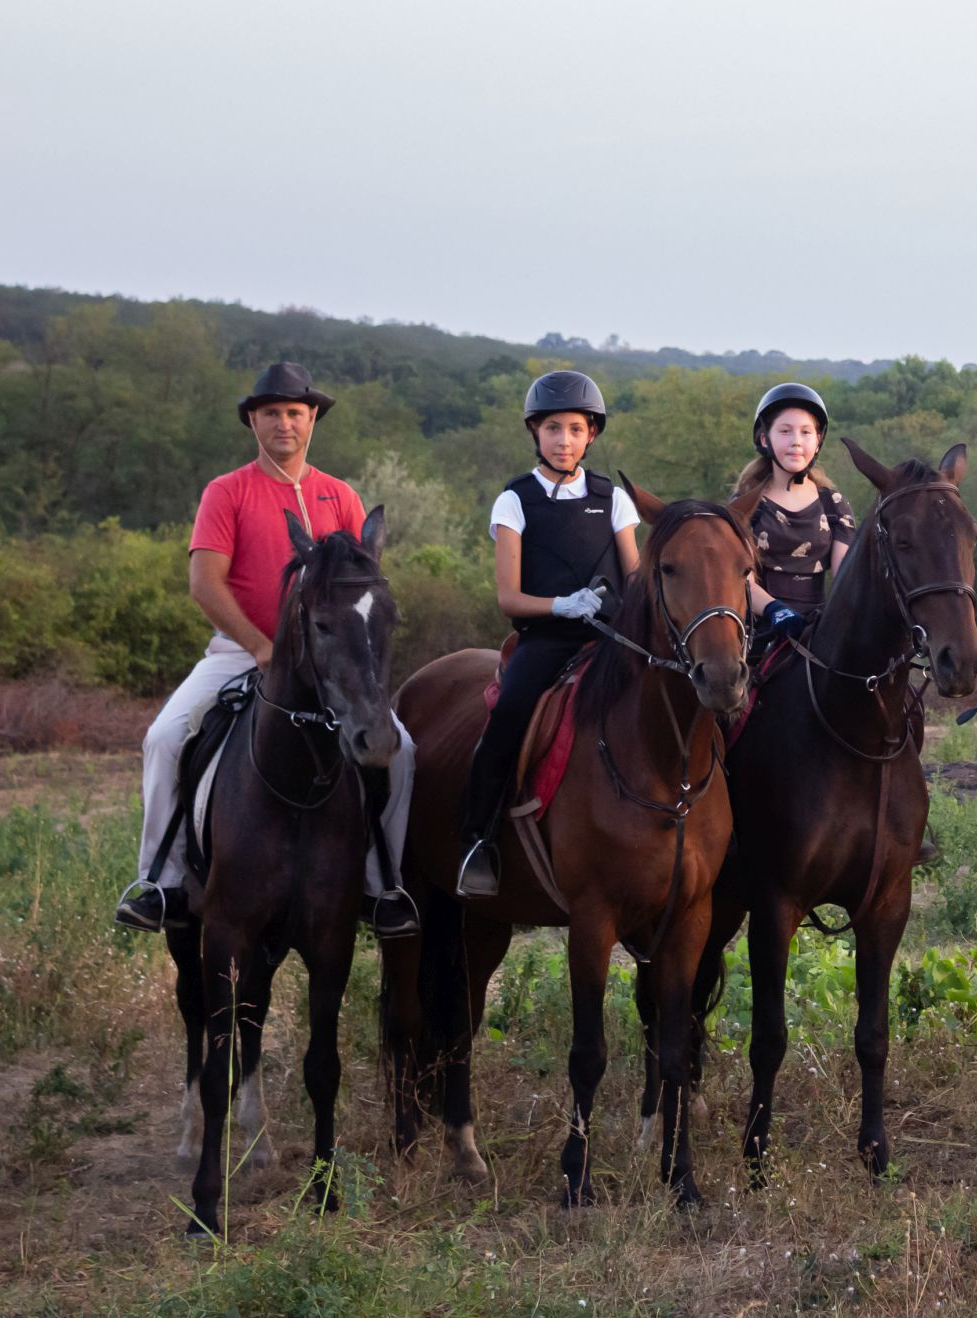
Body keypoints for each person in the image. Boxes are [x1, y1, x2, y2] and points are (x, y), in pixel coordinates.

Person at [114, 363, 420, 938]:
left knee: (400, 750)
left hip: (329, 666)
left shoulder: (340, 496)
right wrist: (258, 645)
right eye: (272, 413)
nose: (285, 423)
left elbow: (361, 594)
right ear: (253, 420)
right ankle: (162, 882)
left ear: (313, 421)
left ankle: (383, 887)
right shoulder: (226, 492)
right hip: (240, 652)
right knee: (163, 738)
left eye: (296, 413)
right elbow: (206, 583)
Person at [454, 370, 640, 899]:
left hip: (612, 638)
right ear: (535, 432)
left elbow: (636, 577)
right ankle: (478, 840)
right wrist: (562, 604)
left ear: (591, 435)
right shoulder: (515, 500)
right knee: (510, 712)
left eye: (576, 429)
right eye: (554, 428)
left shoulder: (612, 499)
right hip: (548, 639)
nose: (565, 440)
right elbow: (508, 598)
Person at [733, 382, 855, 644]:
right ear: (765, 439)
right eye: (785, 431)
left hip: (819, 629)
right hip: (761, 626)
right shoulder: (745, 506)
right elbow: (740, 579)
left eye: (806, 432)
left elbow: (846, 576)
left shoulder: (834, 504)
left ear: (818, 440)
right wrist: (775, 610)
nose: (796, 442)